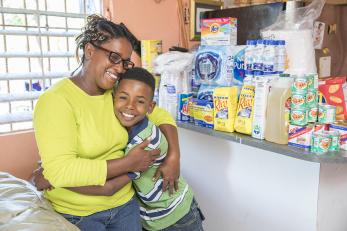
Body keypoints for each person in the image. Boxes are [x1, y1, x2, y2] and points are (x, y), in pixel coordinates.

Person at [33, 14, 180, 231]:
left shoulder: (116, 93)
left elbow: (159, 115)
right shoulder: (56, 101)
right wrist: (129, 164)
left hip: (125, 206)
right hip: (79, 215)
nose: (120, 68)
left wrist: (174, 156)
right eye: (114, 57)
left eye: (126, 62)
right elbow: (60, 171)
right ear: (90, 51)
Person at [68, 67, 205, 231]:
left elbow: (110, 187)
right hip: (153, 216)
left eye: (140, 101)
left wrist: (57, 180)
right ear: (113, 97)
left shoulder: (145, 143)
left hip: (176, 216)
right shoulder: (129, 125)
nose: (129, 106)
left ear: (150, 107)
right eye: (123, 98)